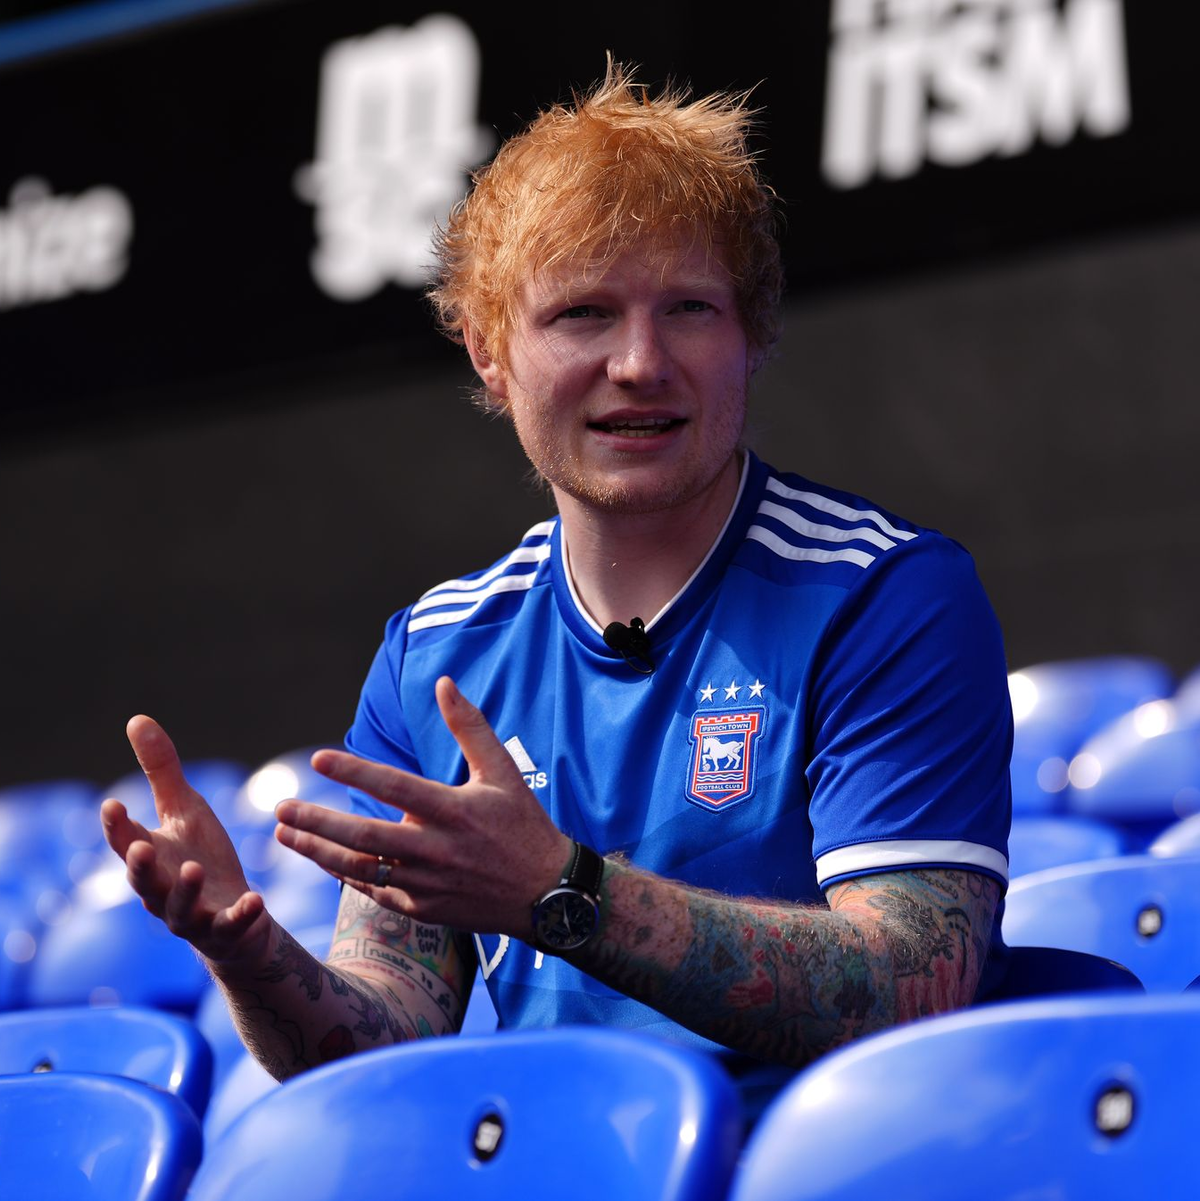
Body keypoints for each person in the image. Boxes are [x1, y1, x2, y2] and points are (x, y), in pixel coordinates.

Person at [101, 63, 1012, 1087]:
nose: (640, 361)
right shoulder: (435, 654)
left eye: (690, 308)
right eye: (583, 313)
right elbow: (390, 1029)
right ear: (490, 352)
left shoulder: (889, 596)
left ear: (749, 337)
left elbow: (910, 985)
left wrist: (563, 891)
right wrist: (245, 948)